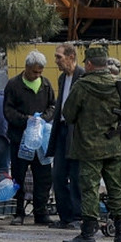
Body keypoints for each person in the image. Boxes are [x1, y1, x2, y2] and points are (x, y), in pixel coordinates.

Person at [62, 47, 121, 242]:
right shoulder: (119, 85)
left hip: (88, 147)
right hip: (113, 146)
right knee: (116, 187)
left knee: (90, 189)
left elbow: (69, 113)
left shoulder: (82, 86)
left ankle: (88, 234)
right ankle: (120, 234)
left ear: (89, 64)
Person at [5, 50, 56, 226]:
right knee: (18, 176)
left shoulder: (46, 85)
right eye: (34, 72)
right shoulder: (13, 85)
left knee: (43, 177)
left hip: (40, 141)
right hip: (20, 139)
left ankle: (40, 212)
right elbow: (8, 111)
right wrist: (25, 120)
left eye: (40, 72)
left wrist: (43, 118)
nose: (37, 75)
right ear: (26, 68)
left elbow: (53, 106)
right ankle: (18, 212)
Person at [49, 43, 85, 230]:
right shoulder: (63, 78)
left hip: (76, 132)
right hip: (62, 129)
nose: (56, 61)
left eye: (59, 57)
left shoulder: (83, 77)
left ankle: (77, 216)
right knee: (58, 175)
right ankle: (65, 216)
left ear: (71, 57)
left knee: (76, 175)